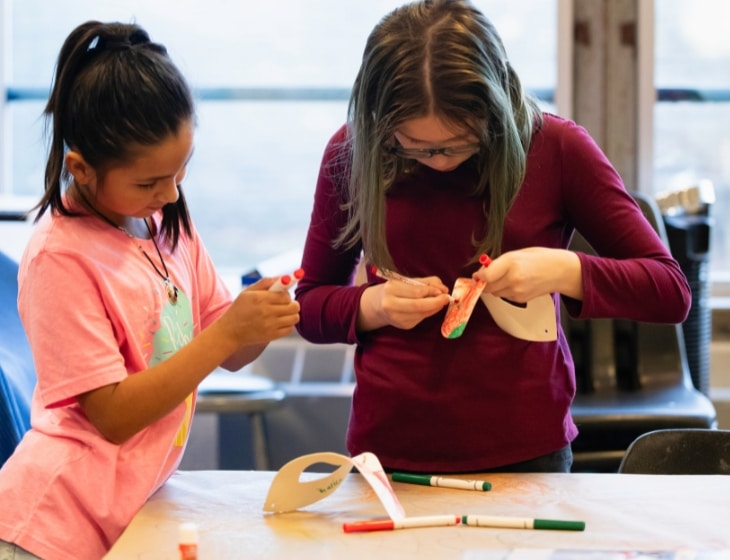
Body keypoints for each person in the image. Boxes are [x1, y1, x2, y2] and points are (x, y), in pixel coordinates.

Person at [294, 0, 691, 475]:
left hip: (526, 452)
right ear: (379, 120)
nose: (439, 161)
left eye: (460, 143)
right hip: (390, 453)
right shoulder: (352, 152)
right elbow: (310, 305)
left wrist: (563, 270)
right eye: (416, 147)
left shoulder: (557, 148)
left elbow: (670, 291)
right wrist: (372, 307)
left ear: (497, 105)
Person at [0, 21, 300, 560]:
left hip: (124, 514)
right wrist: (228, 331)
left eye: (180, 172)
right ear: (81, 168)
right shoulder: (59, 257)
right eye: (148, 182)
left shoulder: (166, 224)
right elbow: (112, 416)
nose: (168, 193)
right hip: (49, 526)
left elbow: (228, 351)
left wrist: (264, 319)